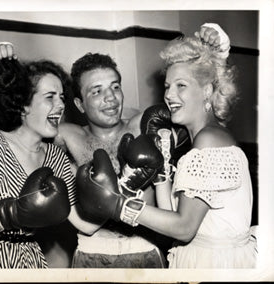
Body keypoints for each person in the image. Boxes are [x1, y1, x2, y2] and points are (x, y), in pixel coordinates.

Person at [0, 23, 230, 268]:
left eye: (115, 87)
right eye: (97, 91)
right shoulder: (66, 136)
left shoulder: (146, 123)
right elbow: (19, 125)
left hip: (146, 249)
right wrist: (5, 74)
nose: (110, 98)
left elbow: (199, 103)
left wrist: (218, 47)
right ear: (79, 105)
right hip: (91, 252)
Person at [76, 33, 258, 268]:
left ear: (206, 91)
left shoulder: (210, 140)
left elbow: (183, 228)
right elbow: (171, 217)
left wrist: (119, 205)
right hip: (199, 260)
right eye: (168, 86)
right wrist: (160, 171)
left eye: (181, 85)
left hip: (218, 266)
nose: (169, 95)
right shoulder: (202, 142)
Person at [0, 56, 99, 268]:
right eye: (50, 97)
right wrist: (13, 212)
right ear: (24, 105)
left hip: (30, 260)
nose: (61, 105)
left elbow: (85, 225)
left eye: (62, 97)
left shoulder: (56, 157)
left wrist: (124, 189)